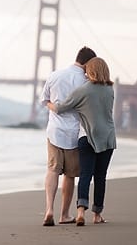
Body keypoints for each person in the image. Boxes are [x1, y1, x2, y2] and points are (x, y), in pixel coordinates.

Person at [47, 57, 117, 226]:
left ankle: (80, 212)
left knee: (86, 175)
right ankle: (97, 215)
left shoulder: (84, 90)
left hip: (87, 138)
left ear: (90, 71)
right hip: (107, 138)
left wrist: (48, 103)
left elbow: (60, 108)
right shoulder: (110, 90)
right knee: (101, 177)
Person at [40, 46, 97, 226]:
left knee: (52, 169)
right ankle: (64, 215)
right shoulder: (87, 83)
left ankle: (49, 209)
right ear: (87, 64)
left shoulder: (55, 75)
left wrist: (55, 107)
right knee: (70, 175)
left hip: (54, 130)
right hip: (75, 133)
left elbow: (44, 100)